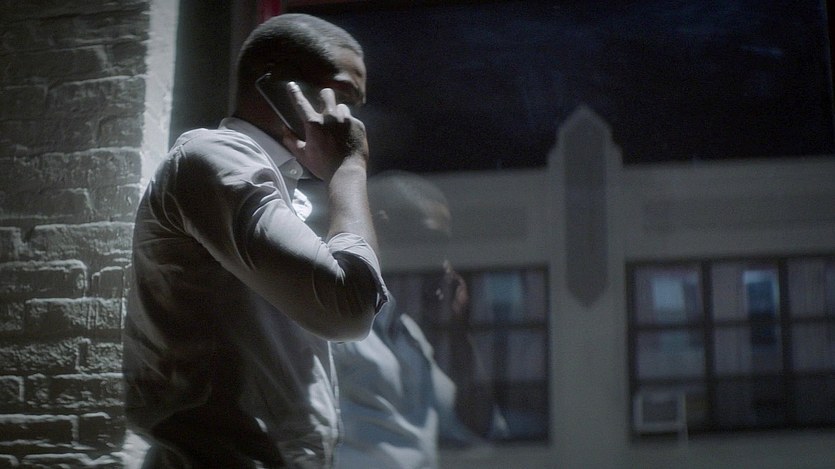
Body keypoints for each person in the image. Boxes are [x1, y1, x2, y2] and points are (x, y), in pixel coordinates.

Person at [122, 14, 387, 468]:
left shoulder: (285, 195)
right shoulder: (214, 159)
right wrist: (349, 168)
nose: (350, 120)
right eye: (341, 95)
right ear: (275, 82)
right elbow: (349, 308)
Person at [332, 171, 506, 469]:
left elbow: (482, 427)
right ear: (381, 228)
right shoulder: (336, 320)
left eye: (444, 244)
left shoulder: (412, 337)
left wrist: (456, 328)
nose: (442, 259)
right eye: (430, 239)